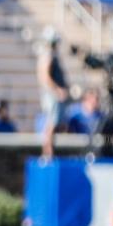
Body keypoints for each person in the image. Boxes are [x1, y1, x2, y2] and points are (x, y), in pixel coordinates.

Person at [37, 25, 69, 160]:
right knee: (51, 123)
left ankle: (50, 152)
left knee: (56, 124)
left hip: (52, 95)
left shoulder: (48, 54)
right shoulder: (47, 55)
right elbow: (44, 76)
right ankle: (47, 154)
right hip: (52, 96)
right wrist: (57, 90)